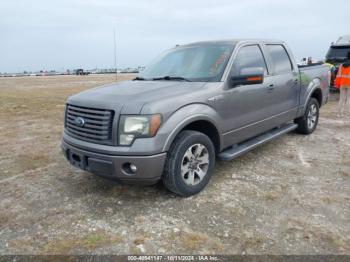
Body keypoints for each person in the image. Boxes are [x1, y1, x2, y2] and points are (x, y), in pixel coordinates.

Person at [334, 51, 350, 117]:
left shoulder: (341, 65)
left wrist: (337, 84)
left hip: (342, 84)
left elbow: (338, 76)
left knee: (341, 99)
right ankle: (347, 114)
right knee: (348, 99)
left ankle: (339, 113)